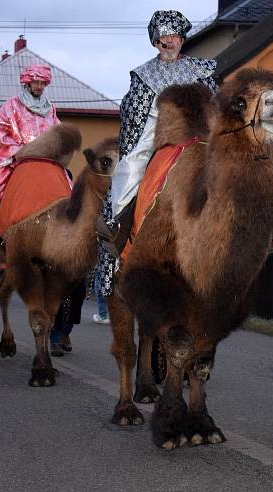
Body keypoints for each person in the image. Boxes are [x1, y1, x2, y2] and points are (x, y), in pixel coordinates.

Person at [95, 10, 218, 296]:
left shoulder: (204, 70)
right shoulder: (144, 75)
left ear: (182, 39)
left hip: (198, 134)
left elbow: (216, 107)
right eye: (163, 36)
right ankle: (117, 229)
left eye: (173, 35)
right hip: (155, 133)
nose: (169, 41)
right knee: (129, 171)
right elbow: (132, 115)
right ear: (155, 41)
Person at [0, 63, 59, 243]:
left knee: (68, 181)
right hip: (17, 159)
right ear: (28, 83)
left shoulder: (50, 110)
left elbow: (57, 132)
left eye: (42, 83)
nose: (39, 86)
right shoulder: (10, 107)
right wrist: (21, 151)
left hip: (46, 160)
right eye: (36, 82)